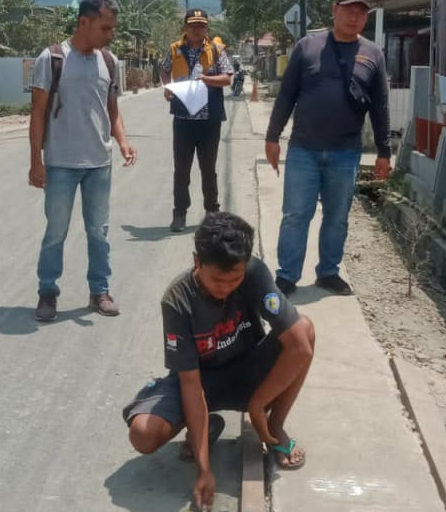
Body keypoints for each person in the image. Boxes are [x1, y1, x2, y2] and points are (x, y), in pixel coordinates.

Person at [123, 211, 315, 510]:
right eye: (217, 279)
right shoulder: (178, 300)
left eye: (235, 278)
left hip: (248, 372)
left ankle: (274, 427)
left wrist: (257, 406)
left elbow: (300, 348)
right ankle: (203, 424)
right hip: (200, 381)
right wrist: (204, 468)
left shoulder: (254, 273)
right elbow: (190, 383)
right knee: (143, 434)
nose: (226, 287)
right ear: (197, 261)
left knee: (303, 330)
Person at [265, 0, 392, 296]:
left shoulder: (373, 54)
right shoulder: (307, 46)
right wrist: (272, 136)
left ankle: (328, 272)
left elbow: (381, 106)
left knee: (337, 217)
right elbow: (287, 95)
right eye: (349, 9)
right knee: (296, 215)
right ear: (335, 9)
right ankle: (287, 275)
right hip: (303, 150)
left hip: (345, 153)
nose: (354, 16)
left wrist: (384, 152)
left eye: (361, 12)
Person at [28, 0, 138, 323]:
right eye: (105, 28)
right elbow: (37, 113)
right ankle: (48, 293)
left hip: (98, 164)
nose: (110, 34)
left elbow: (112, 109)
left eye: (112, 28)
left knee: (99, 231)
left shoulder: (109, 61)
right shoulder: (52, 59)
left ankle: (99, 291)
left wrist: (122, 141)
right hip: (60, 163)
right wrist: (36, 161)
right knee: (56, 232)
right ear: (83, 23)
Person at [159, 8, 233, 232]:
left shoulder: (217, 50)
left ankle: (212, 213)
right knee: (181, 169)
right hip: (183, 119)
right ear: (185, 28)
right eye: (193, 25)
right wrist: (167, 87)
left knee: (208, 169)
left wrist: (207, 79)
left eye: (201, 25)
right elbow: (164, 70)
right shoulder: (175, 49)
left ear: (206, 28)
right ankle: (179, 213)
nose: (196, 29)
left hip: (209, 120)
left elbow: (227, 78)